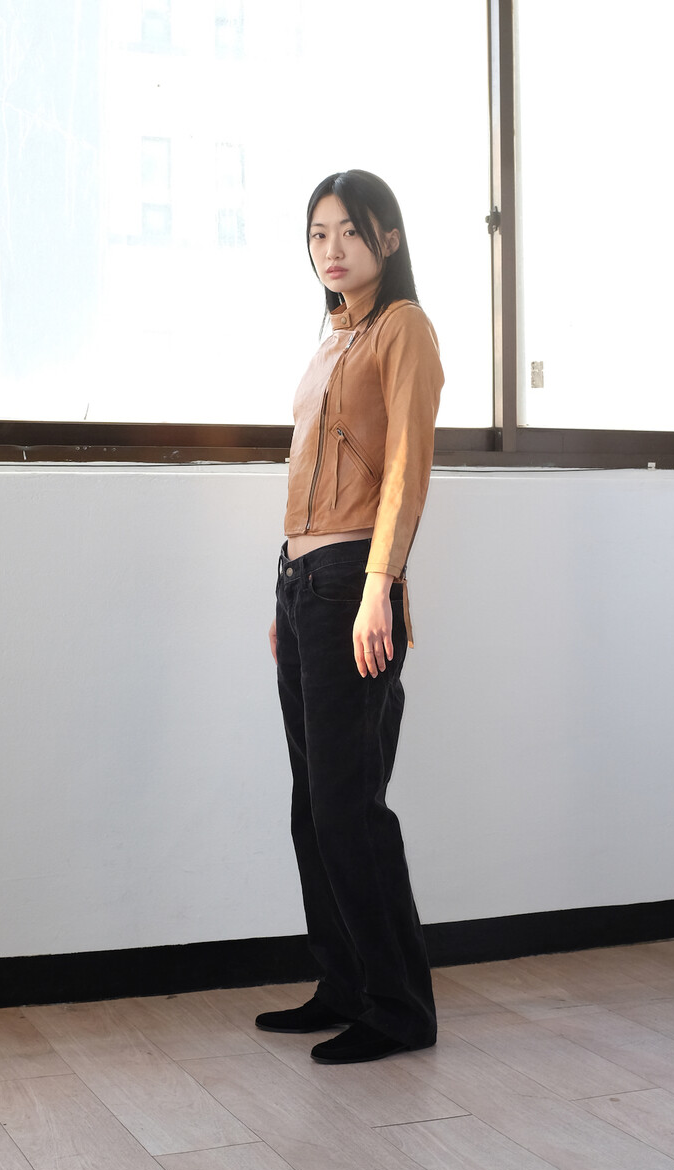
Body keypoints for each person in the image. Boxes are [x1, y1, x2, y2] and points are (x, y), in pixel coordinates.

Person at [256, 170, 444, 1064]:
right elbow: (308, 469)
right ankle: (344, 985)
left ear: (389, 240)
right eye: (317, 234)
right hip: (306, 585)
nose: (330, 250)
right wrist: (282, 590)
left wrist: (379, 587)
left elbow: (405, 468)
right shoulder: (332, 337)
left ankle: (400, 1008)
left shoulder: (403, 329)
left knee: (348, 806)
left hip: (354, 581)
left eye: (349, 233)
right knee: (313, 806)